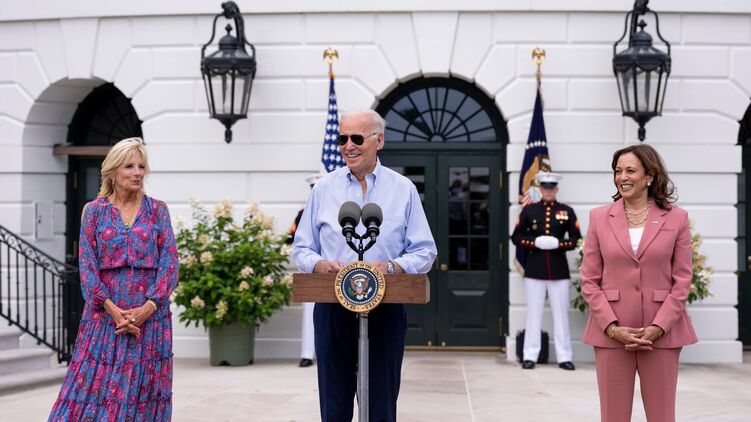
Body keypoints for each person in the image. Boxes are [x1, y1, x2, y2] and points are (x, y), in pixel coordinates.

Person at [293, 109, 437, 422]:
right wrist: (318, 265)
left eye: (357, 138)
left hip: (386, 304)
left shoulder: (403, 189)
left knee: (381, 402)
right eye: (342, 138)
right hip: (332, 304)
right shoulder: (323, 188)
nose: (348, 146)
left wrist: (394, 267)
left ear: (378, 141)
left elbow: (425, 250)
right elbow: (301, 248)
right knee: (334, 402)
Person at [49, 137, 179, 421]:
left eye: (141, 166)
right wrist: (112, 309)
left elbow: (169, 264)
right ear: (112, 171)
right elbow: (87, 266)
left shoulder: (158, 210)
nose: (137, 173)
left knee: (142, 387)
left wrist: (148, 308)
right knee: (92, 386)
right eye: (129, 166)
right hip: (104, 318)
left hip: (151, 319)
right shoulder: (94, 211)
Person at [580, 144, 697, 422]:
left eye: (630, 170)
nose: (622, 177)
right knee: (613, 416)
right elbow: (589, 280)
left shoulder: (677, 218)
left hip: (661, 333)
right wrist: (612, 327)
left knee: (661, 416)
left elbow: (682, 279)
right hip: (612, 333)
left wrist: (659, 327)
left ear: (650, 176)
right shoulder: (599, 217)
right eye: (618, 171)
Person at [512, 171, 581, 370]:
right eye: (545, 187)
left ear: (556, 189)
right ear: (540, 189)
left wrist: (559, 244)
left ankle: (564, 356)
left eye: (551, 187)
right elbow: (516, 237)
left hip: (558, 271)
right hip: (535, 269)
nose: (548, 191)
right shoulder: (529, 210)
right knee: (533, 314)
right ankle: (530, 355)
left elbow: (576, 239)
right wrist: (535, 242)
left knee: (561, 315)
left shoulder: (567, 211)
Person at [287, 173, 323, 368]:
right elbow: (291, 238)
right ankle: (307, 353)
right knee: (309, 314)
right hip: (311, 270)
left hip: (334, 268)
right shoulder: (303, 213)